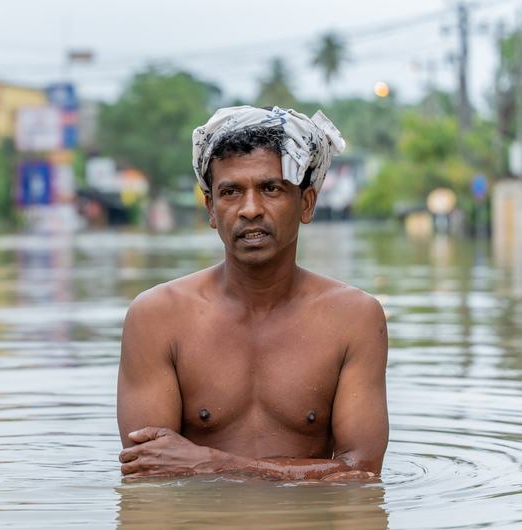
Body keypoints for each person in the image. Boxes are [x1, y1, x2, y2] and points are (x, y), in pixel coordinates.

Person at [116, 105, 388, 481]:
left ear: (306, 203)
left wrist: (215, 464)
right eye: (230, 192)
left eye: (270, 188)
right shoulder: (158, 317)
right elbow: (149, 474)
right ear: (211, 208)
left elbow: (361, 474)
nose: (250, 209)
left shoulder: (354, 319)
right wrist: (299, 475)